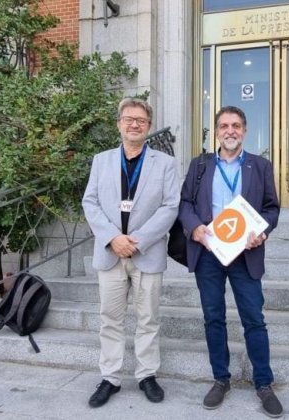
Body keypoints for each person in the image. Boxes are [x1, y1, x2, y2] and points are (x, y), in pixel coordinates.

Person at [178, 106, 283, 418]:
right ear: (216, 131)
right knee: (213, 318)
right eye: (224, 125)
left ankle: (263, 383)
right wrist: (194, 227)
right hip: (209, 253)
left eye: (236, 125)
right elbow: (184, 203)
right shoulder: (199, 166)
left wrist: (261, 232)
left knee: (254, 319)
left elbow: (271, 209)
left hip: (245, 254)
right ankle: (220, 379)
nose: (230, 131)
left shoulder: (260, 166)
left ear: (245, 131)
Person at [82, 97, 180, 408]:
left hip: (146, 254)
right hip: (110, 253)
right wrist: (113, 238)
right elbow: (90, 203)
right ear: (119, 124)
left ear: (148, 127)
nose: (134, 124)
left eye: (140, 120)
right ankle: (109, 377)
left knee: (148, 318)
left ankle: (147, 375)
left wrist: (136, 240)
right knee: (110, 318)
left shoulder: (165, 163)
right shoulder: (102, 160)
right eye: (128, 118)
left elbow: (170, 206)